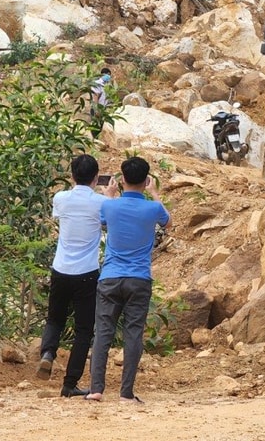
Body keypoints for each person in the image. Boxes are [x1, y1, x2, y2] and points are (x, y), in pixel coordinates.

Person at [85, 156, 171, 403]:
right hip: (139, 279)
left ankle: (96, 389)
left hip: (111, 277)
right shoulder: (153, 208)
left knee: (102, 332)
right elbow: (169, 223)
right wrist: (155, 194)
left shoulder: (109, 205)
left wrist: (109, 194)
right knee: (133, 334)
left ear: (121, 180)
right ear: (146, 181)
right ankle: (126, 393)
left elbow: (103, 223)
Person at [38, 154, 117, 398]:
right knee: (84, 329)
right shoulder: (101, 202)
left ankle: (48, 353)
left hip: (60, 268)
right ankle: (69, 383)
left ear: (72, 176)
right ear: (96, 177)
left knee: (54, 319)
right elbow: (109, 222)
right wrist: (110, 195)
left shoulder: (60, 198)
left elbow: (60, 216)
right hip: (86, 273)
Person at [90, 67, 112, 138]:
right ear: (102, 74)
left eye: (109, 75)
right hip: (97, 109)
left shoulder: (107, 85)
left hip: (103, 109)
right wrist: (96, 110)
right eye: (107, 75)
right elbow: (95, 96)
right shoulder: (97, 83)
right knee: (95, 126)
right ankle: (93, 141)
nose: (108, 76)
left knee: (101, 126)